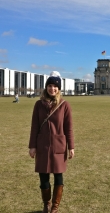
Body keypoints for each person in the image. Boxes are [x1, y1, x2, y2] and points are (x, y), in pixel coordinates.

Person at [28, 71, 75, 213]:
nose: (52, 88)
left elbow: (69, 128)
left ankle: (55, 207)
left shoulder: (64, 105)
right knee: (44, 179)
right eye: (50, 85)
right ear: (46, 87)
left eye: (55, 86)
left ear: (58, 88)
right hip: (42, 145)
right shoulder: (38, 104)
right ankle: (46, 204)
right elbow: (34, 126)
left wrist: (71, 147)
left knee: (59, 177)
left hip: (58, 146)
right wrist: (32, 146)